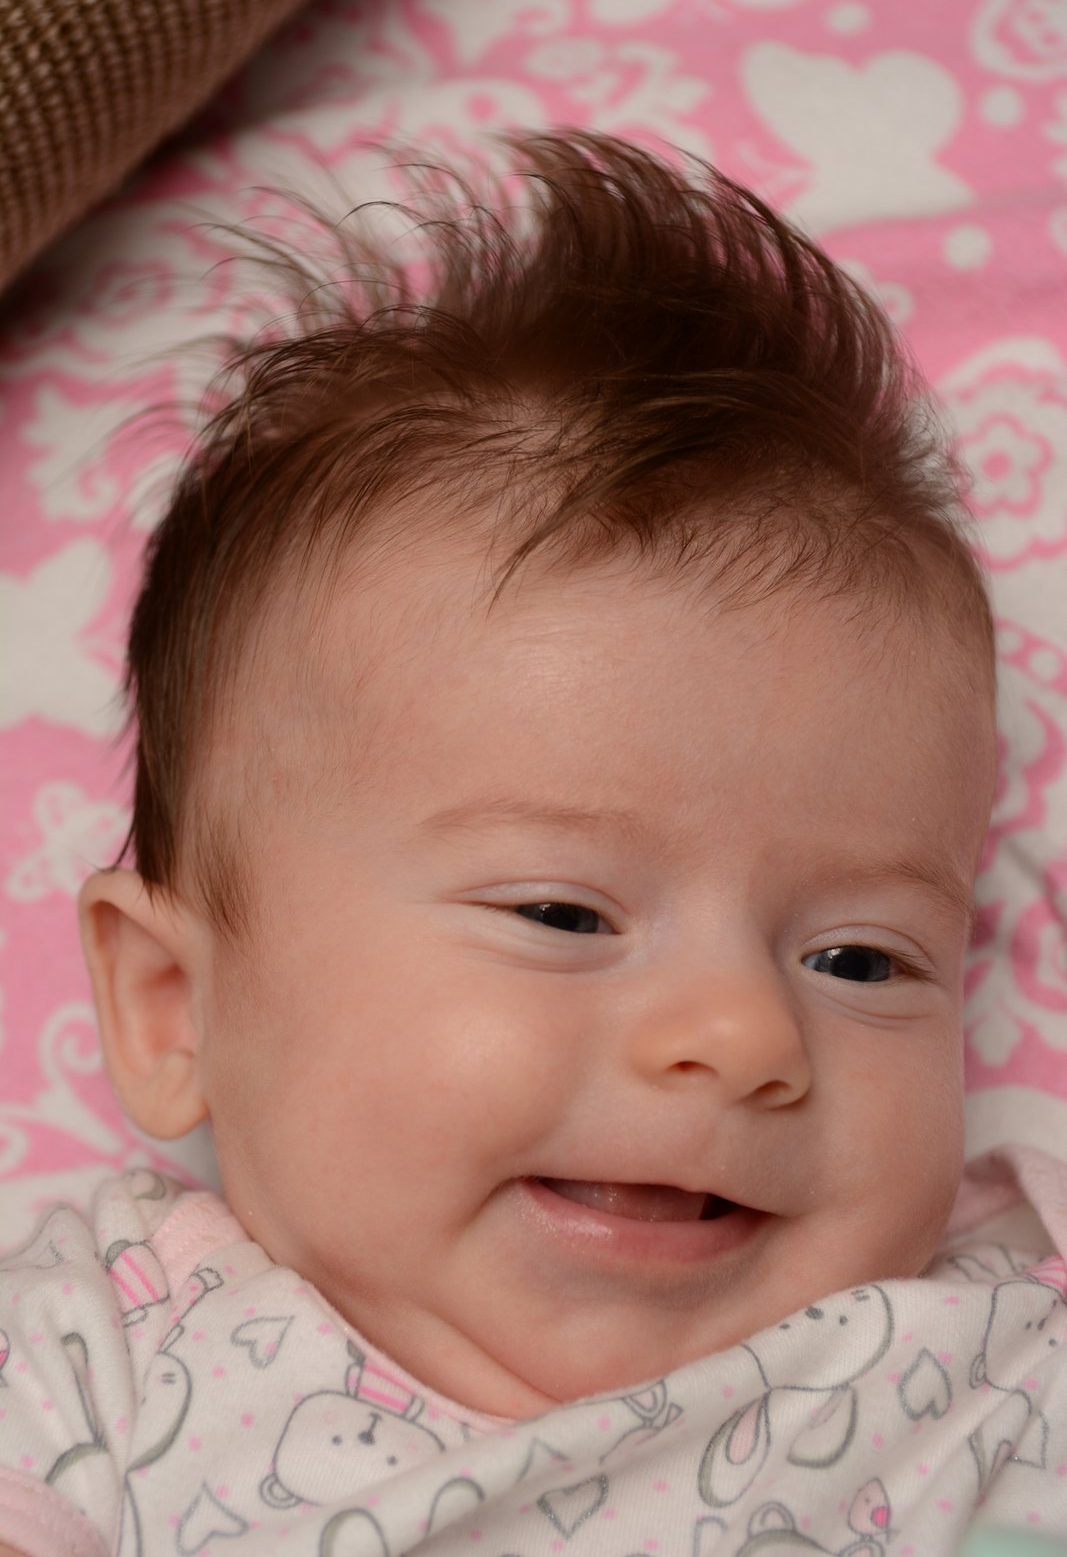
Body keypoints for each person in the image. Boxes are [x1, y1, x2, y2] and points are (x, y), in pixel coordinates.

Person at [1, 132, 1062, 1557]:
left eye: (860, 959)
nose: (743, 1034)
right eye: (565, 916)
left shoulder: (988, 1369)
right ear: (174, 1006)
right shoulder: (95, 1356)